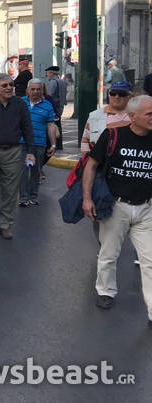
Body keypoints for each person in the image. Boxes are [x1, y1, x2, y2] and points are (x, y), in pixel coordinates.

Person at [82, 95, 152, 327]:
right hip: (117, 207)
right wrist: (87, 198)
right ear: (133, 117)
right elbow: (91, 165)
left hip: (146, 209)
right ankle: (105, 291)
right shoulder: (113, 135)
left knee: (150, 261)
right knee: (108, 254)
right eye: (149, 114)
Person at [0, 73, 35, 239]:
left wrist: (30, 152)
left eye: (11, 84)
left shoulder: (20, 105)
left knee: (11, 192)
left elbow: (27, 129)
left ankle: (5, 224)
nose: (9, 88)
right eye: (4, 85)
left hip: (13, 151)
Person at [19, 79, 57, 207]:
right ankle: (24, 197)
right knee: (23, 170)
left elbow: (51, 125)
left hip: (39, 143)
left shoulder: (47, 105)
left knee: (35, 170)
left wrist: (53, 144)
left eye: (38, 89)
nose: (35, 92)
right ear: (28, 90)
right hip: (22, 143)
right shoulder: (20, 102)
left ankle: (33, 196)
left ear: (42, 90)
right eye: (33, 89)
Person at [81, 81, 132, 153]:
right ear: (109, 95)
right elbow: (85, 141)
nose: (117, 97)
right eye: (113, 93)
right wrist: (88, 160)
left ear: (129, 96)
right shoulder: (95, 115)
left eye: (122, 94)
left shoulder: (136, 115)